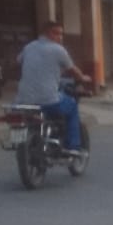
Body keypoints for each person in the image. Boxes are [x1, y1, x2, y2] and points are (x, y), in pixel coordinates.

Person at [14, 21, 89, 151]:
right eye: (57, 33)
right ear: (47, 33)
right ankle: (73, 146)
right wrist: (82, 78)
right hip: (47, 100)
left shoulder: (29, 47)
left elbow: (19, 60)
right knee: (71, 105)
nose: (60, 37)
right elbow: (73, 70)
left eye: (61, 34)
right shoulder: (58, 50)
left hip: (23, 100)